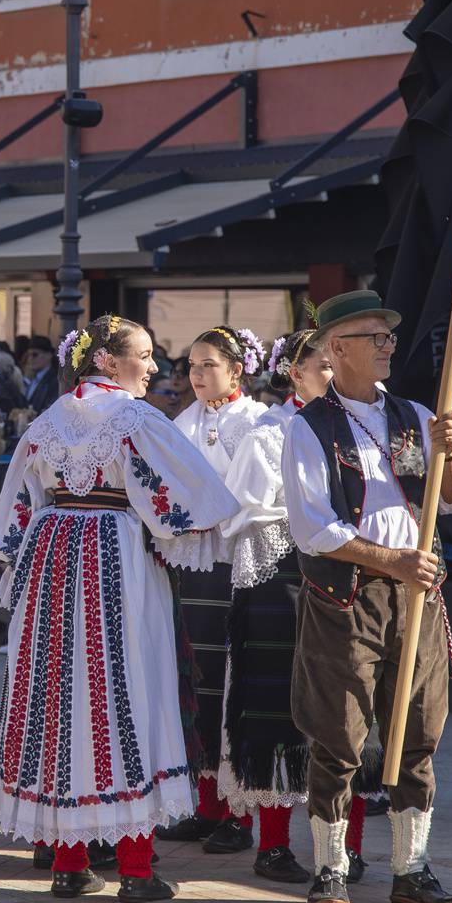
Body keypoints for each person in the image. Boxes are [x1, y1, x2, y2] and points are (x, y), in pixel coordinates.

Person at [0, 314, 238, 903]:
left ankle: (70, 862)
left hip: (53, 554)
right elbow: (193, 495)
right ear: (107, 360)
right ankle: (136, 866)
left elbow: (17, 506)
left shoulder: (50, 419)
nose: (153, 367)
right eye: (144, 355)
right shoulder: (135, 418)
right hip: (115, 557)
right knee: (127, 690)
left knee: (62, 698)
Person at [284, 290, 452, 903]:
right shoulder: (309, 427)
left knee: (419, 729)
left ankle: (411, 870)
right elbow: (313, 528)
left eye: (390, 337)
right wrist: (391, 560)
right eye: (376, 336)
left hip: (417, 591)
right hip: (347, 594)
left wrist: (450, 451)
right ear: (337, 348)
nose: (389, 345)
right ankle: (331, 870)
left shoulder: (415, 415)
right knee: (338, 733)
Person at [215, 326, 377, 887]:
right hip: (282, 579)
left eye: (338, 366)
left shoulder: (359, 426)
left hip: (348, 578)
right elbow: (241, 513)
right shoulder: (269, 431)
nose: (334, 377)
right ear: (296, 372)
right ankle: (275, 842)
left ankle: (348, 845)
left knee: (349, 710)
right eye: (325, 367)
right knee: (279, 708)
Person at [165, 325, 268, 854]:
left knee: (233, 684)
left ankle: (239, 812)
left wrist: (211, 516)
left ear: (237, 368)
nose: (198, 374)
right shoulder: (180, 423)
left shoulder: (258, 423)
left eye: (209, 364)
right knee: (196, 681)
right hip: (191, 566)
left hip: (236, 564)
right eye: (192, 364)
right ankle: (204, 804)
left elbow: (257, 498)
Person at [18, 335, 59, 413]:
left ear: (49, 355)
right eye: (28, 355)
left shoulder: (54, 380)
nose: (30, 359)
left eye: (35, 355)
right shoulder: (31, 378)